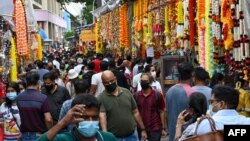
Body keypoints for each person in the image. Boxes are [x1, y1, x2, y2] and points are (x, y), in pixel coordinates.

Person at [37, 94, 117, 141]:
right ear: (75, 117)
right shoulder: (64, 139)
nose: (90, 121)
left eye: (95, 117)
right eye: (85, 117)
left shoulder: (108, 138)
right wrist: (63, 122)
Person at [98, 70, 147, 141]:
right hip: (114, 138)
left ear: (115, 78)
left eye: (111, 81)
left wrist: (143, 129)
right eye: (106, 82)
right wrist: (106, 136)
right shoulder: (101, 98)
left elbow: (135, 112)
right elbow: (102, 117)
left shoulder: (126, 92)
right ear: (103, 83)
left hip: (131, 136)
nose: (110, 83)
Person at [16, 71, 53, 141]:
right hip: (39, 136)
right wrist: (50, 132)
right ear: (38, 82)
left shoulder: (19, 98)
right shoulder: (42, 98)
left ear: (26, 82)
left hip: (24, 136)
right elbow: (48, 119)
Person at [166, 62, 194, 141]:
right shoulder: (191, 92)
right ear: (192, 75)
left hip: (172, 134)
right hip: (186, 136)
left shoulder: (170, 91)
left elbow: (166, 112)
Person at [135, 73, 167, 141]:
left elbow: (162, 111)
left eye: (145, 81)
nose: (143, 82)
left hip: (155, 128)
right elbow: (135, 112)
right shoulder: (136, 96)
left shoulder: (157, 95)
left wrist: (163, 128)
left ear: (150, 83)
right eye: (142, 81)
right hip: (141, 128)